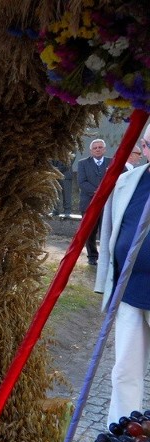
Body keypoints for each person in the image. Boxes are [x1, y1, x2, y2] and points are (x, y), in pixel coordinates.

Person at [95, 127, 150, 426]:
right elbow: (110, 232)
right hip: (129, 293)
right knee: (124, 373)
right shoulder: (128, 181)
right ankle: (122, 437)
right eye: (147, 144)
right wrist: (105, 283)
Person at [78, 138, 112, 265]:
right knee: (89, 231)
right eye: (95, 148)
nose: (97, 149)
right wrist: (99, 192)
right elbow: (82, 182)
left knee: (106, 231)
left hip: (108, 203)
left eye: (100, 147)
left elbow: (121, 176)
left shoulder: (112, 162)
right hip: (89, 203)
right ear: (91, 150)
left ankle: (105, 257)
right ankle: (92, 256)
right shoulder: (82, 163)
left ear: (104, 149)